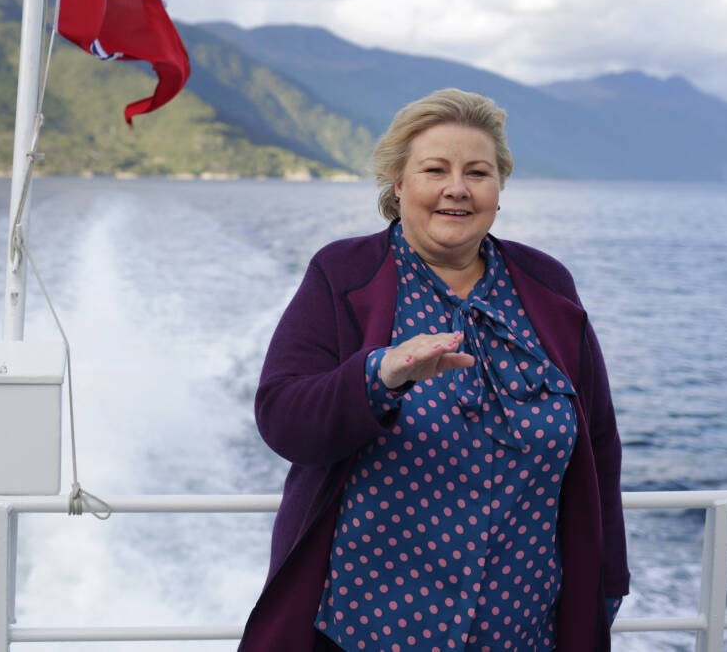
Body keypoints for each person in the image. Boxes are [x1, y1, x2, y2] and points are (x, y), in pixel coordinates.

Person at [239, 89, 629, 652]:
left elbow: (598, 444)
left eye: (478, 172)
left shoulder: (548, 285)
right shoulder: (343, 272)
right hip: (367, 632)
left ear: (499, 189)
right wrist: (378, 376)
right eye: (435, 169)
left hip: (522, 632)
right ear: (398, 185)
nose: (457, 188)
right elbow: (281, 417)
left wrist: (606, 584)